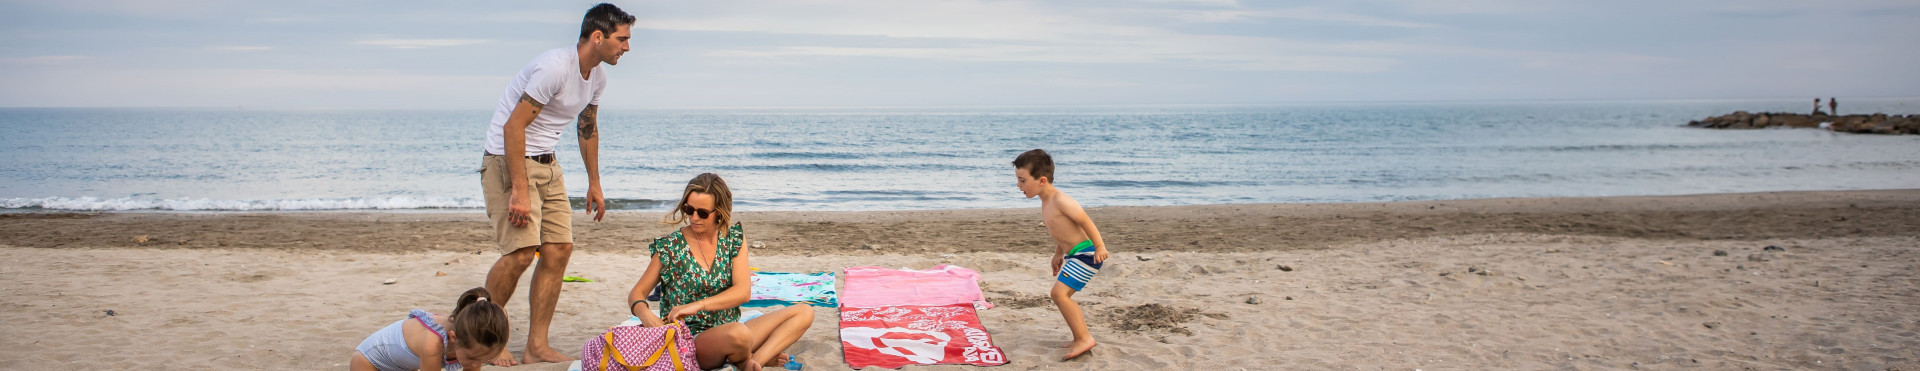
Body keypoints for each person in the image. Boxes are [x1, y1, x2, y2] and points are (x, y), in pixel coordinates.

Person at [477, 3, 632, 366]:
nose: (626, 47)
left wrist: (594, 183)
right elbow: (513, 127)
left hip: (547, 163)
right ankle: (484, 338)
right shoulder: (554, 68)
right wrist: (518, 190)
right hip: (507, 160)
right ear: (598, 37)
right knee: (519, 254)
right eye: (622, 39)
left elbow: (587, 128)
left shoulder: (597, 77)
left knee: (559, 249)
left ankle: (536, 346)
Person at [627, 173, 815, 371]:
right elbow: (636, 294)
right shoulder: (670, 247)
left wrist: (698, 305)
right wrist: (644, 313)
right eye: (688, 209)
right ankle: (745, 359)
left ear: (719, 212)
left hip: (731, 331)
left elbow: (743, 292)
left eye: (702, 213)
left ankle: (754, 362)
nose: (693, 217)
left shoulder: (732, 239)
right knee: (739, 334)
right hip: (690, 339)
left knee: (804, 312)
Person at [1011, 149, 1111, 360]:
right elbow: (1062, 231)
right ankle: (1080, 337)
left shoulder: (1060, 200)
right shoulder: (1045, 202)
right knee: (1061, 295)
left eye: (1022, 180)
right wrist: (1058, 254)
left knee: (1059, 294)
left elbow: (1085, 221)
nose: (1018, 186)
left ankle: (1084, 338)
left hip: (1087, 254)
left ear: (1042, 180)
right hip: (1074, 254)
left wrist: (1100, 247)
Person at [351, 288, 510, 371]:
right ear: (453, 338)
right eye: (473, 358)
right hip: (368, 363)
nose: (476, 364)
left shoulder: (473, 341)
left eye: (483, 360)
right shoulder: (432, 343)